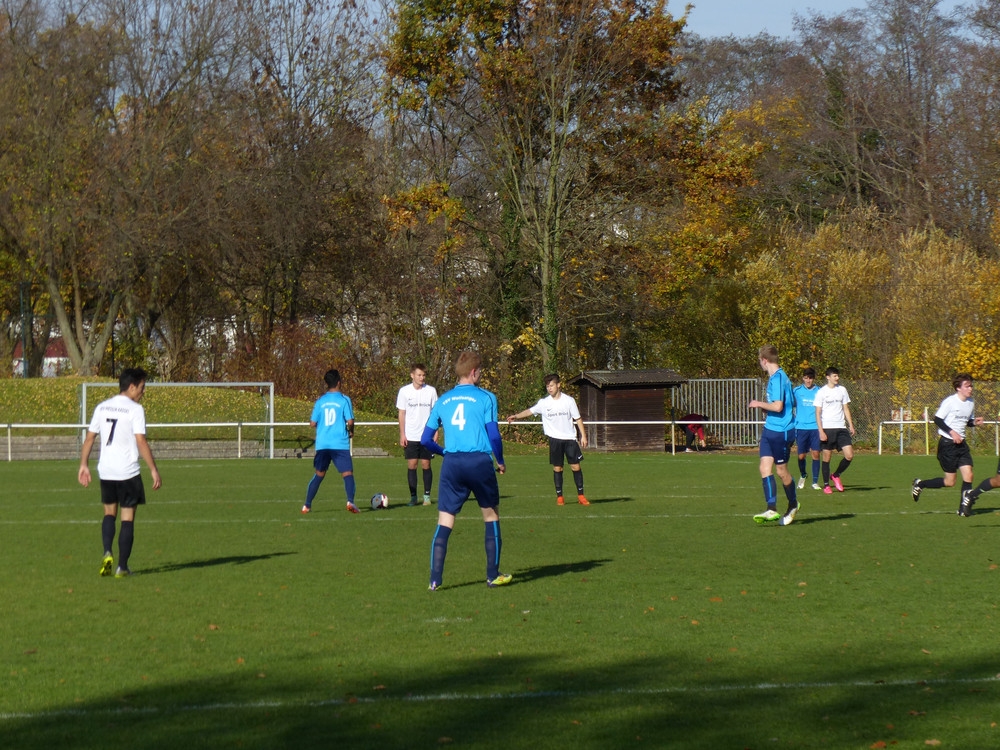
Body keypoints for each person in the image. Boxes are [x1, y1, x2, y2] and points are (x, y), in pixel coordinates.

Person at [421, 350, 511, 590]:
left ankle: (434, 580)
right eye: (480, 371)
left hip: (452, 464)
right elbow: (494, 435)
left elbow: (425, 439)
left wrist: (444, 452)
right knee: (490, 516)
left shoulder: (443, 400)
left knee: (445, 520)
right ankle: (492, 575)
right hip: (479, 462)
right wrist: (500, 460)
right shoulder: (486, 397)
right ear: (474, 372)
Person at [78, 367, 162, 578]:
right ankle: (122, 567)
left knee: (109, 514)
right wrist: (153, 469)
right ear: (132, 387)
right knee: (127, 519)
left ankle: (107, 551)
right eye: (142, 387)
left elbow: (89, 438)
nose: (143, 392)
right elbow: (140, 441)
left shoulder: (102, 407)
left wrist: (83, 464)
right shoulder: (135, 410)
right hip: (128, 472)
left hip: (106, 471)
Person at [507, 373, 590, 506]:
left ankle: (581, 496)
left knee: (575, 466)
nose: (549, 388)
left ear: (558, 385)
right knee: (558, 468)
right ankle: (560, 497)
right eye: (547, 386)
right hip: (555, 440)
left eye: (551, 385)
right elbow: (529, 411)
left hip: (569, 439)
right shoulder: (544, 403)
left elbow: (578, 418)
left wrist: (583, 436)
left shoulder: (569, 401)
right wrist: (516, 416)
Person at [912, 374, 983, 514]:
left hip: (961, 445)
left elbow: (967, 421)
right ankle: (920, 484)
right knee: (950, 482)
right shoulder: (950, 402)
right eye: (967, 386)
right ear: (958, 388)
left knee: (969, 475)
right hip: (947, 445)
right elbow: (937, 419)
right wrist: (952, 433)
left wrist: (974, 422)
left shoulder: (970, 402)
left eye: (971, 386)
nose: (970, 388)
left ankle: (963, 510)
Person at [748, 345, 799, 525]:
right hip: (770, 429)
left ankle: (793, 504)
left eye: (759, 361)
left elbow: (778, 406)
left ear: (764, 360)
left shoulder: (778, 378)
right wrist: (766, 409)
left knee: (781, 471)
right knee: (764, 468)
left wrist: (758, 404)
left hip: (781, 432)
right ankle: (771, 508)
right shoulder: (775, 378)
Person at [302, 369, 357, 514]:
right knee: (347, 473)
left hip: (323, 444)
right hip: (339, 443)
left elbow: (312, 423)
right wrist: (351, 431)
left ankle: (307, 505)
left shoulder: (320, 401)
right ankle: (350, 501)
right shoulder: (344, 400)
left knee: (319, 474)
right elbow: (350, 421)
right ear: (339, 382)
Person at [397, 363, 439, 506]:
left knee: (426, 464)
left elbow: (435, 414)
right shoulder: (404, 391)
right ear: (412, 375)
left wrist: (436, 432)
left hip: (427, 435)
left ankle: (427, 496)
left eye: (423, 375)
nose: (422, 378)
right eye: (419, 375)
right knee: (412, 464)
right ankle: (413, 497)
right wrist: (402, 434)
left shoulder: (431, 391)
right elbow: (401, 413)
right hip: (411, 435)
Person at [814, 366, 855, 494]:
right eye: (834, 376)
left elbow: (845, 408)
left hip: (841, 428)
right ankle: (826, 485)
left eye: (837, 375)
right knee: (827, 457)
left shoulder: (842, 390)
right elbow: (818, 412)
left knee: (849, 455)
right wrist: (821, 431)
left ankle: (836, 475)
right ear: (828, 377)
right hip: (827, 428)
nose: (837, 378)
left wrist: (851, 424)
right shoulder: (821, 392)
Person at [792, 368, 822, 490]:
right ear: (803, 378)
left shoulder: (819, 391)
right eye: (806, 378)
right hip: (801, 427)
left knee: (816, 453)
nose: (808, 380)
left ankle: (815, 482)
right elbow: (789, 405)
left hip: (815, 427)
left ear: (813, 378)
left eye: (810, 378)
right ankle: (803, 474)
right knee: (801, 456)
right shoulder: (796, 391)